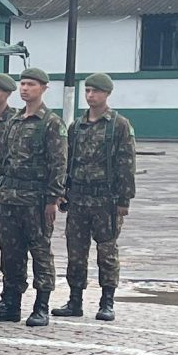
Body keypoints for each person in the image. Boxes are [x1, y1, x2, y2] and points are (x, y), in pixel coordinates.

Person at [0, 69, 66, 328]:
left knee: (40, 252)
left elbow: (58, 162)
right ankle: (11, 303)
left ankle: (41, 305)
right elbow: (4, 160)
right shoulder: (15, 121)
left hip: (37, 199)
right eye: (23, 84)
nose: (25, 89)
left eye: (31, 84)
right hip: (10, 198)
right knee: (11, 254)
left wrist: (53, 199)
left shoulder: (51, 122)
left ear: (43, 88)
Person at [56, 72, 135, 321]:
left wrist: (124, 199)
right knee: (75, 252)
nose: (91, 96)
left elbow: (127, 163)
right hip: (79, 197)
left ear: (107, 94)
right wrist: (63, 191)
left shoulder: (118, 125)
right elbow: (67, 160)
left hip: (106, 199)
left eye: (96, 91)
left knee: (107, 251)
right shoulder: (77, 126)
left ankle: (107, 301)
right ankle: (75, 300)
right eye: (88, 91)